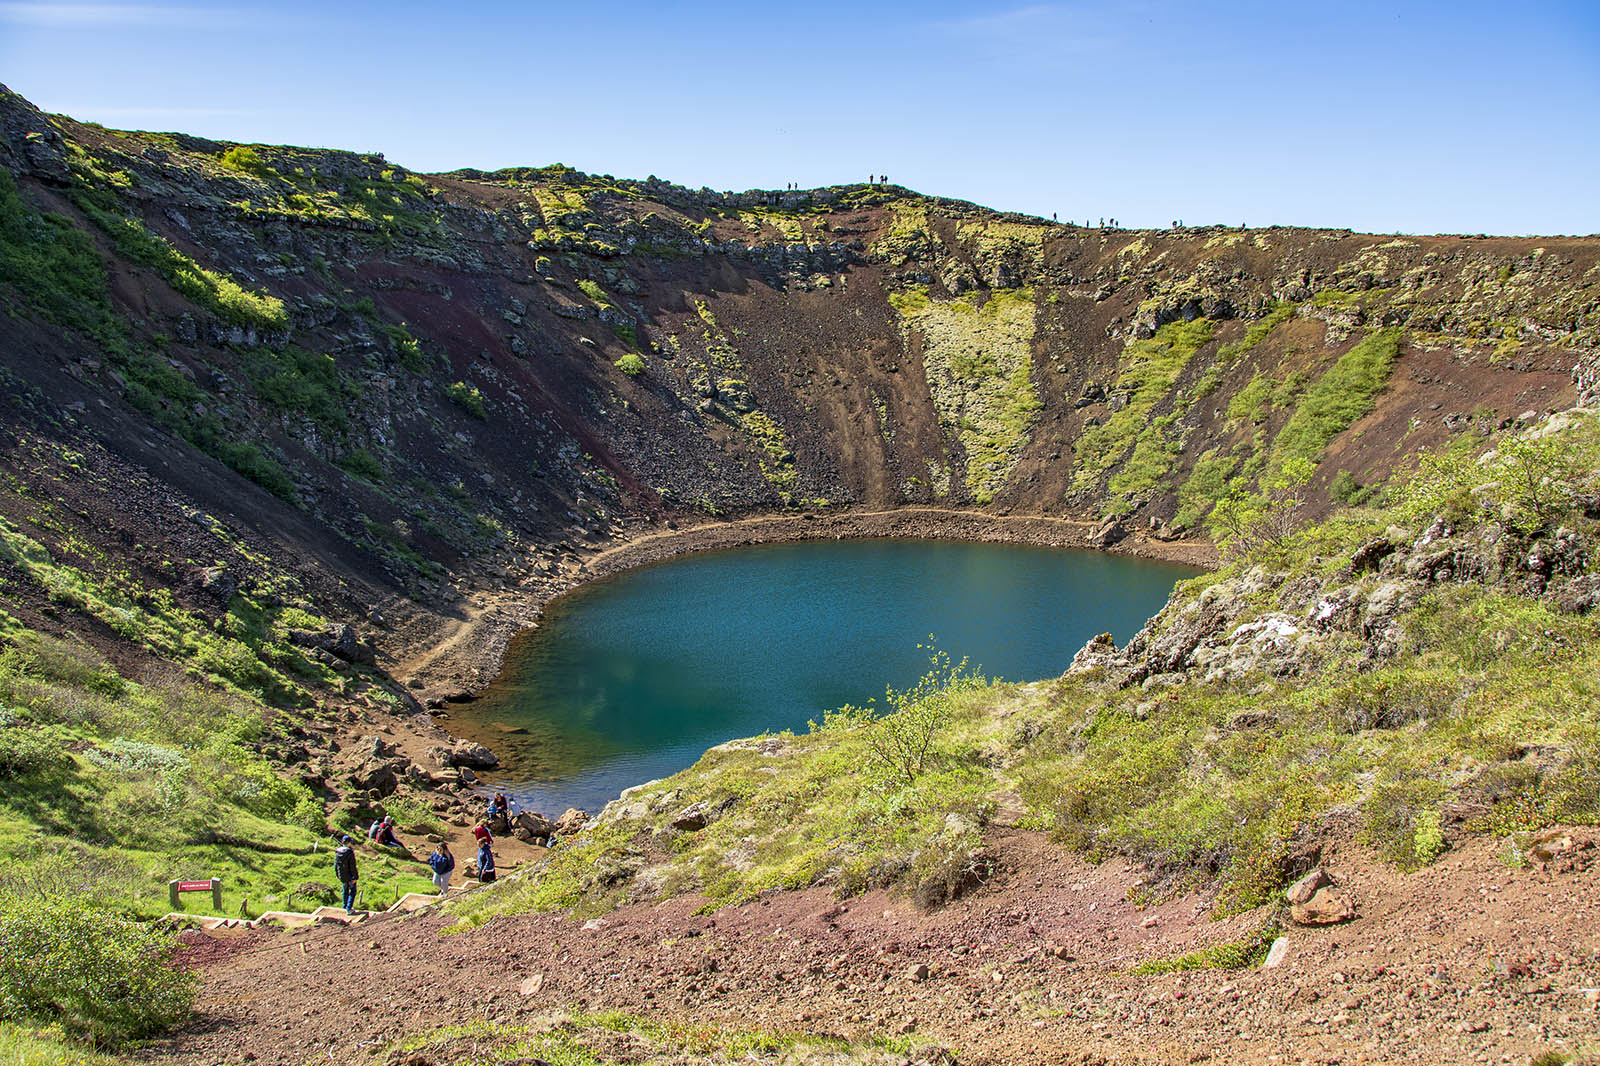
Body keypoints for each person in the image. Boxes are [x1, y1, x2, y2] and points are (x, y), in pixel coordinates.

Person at [333, 835, 359, 914]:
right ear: (349, 843)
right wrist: (355, 877)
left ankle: (344, 906)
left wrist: (338, 874)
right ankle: (349, 908)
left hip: (342, 875)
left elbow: (336, 865)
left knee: (345, 890)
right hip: (350, 876)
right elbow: (352, 867)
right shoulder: (350, 853)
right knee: (353, 891)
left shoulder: (338, 852)